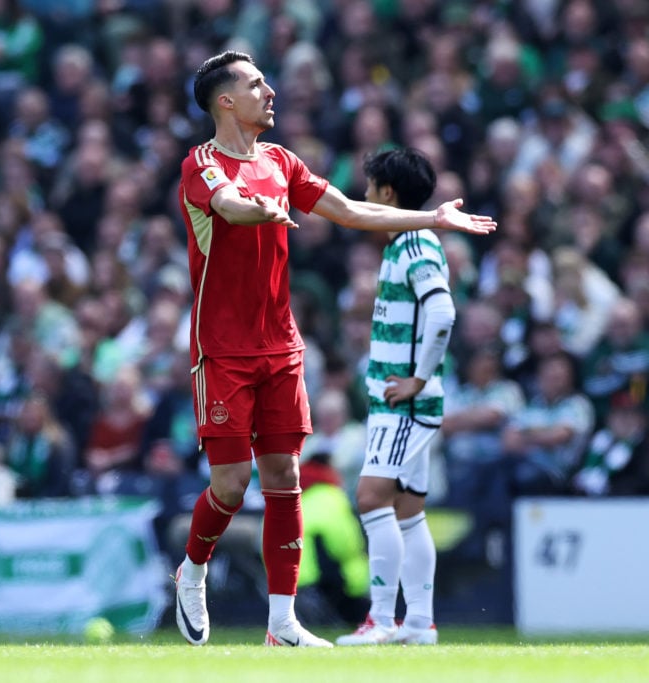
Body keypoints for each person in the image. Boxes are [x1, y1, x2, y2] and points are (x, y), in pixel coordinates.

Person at [173, 51, 496, 649]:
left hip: (280, 346)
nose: (270, 91)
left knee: (285, 476)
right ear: (225, 101)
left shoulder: (281, 161)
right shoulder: (202, 164)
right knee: (231, 485)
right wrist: (257, 211)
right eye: (256, 84)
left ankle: (282, 623)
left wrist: (430, 219)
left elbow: (348, 210)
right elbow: (228, 205)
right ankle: (192, 571)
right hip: (223, 350)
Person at [334, 148, 455, 646]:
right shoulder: (405, 243)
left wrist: (417, 380)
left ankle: (381, 620)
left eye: (369, 188)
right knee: (409, 511)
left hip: (402, 403)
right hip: (402, 401)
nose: (363, 196)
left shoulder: (414, 245)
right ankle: (420, 624)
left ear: (387, 194)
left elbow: (443, 312)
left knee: (370, 498)